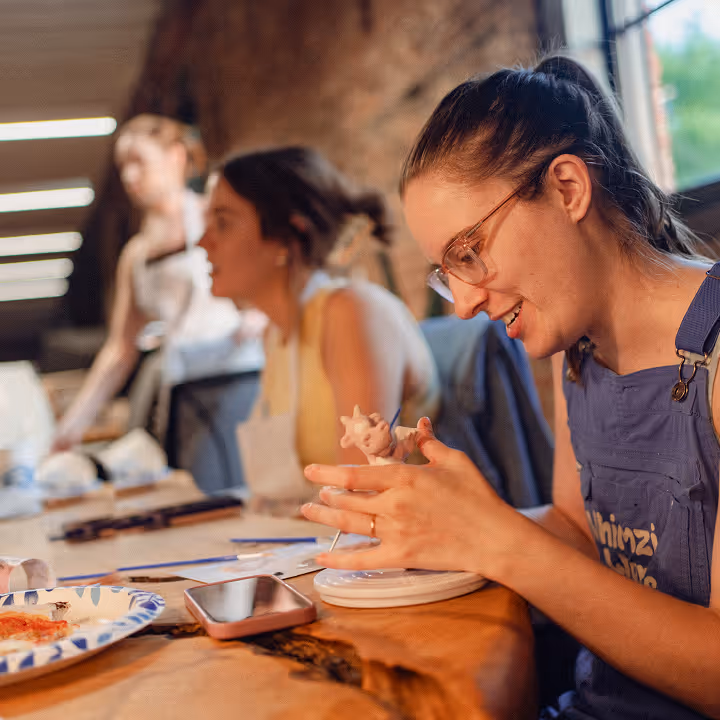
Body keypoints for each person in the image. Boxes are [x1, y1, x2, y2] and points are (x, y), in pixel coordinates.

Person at [301, 55, 720, 719]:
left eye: (470, 252)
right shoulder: (577, 350)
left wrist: (494, 538)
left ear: (566, 189)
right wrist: (435, 518)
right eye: (447, 272)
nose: (463, 304)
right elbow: (578, 534)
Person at [199, 147, 439, 510]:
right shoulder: (275, 337)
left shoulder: (351, 312)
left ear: (286, 236)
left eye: (223, 222)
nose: (203, 242)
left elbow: (364, 490)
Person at [52, 115, 260, 452]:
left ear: (176, 156)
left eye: (139, 162)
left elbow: (269, 276)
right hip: (184, 387)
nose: (130, 176)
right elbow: (120, 349)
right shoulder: (136, 255)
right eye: (122, 166)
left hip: (241, 376)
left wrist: (259, 316)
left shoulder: (217, 217)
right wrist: (71, 426)